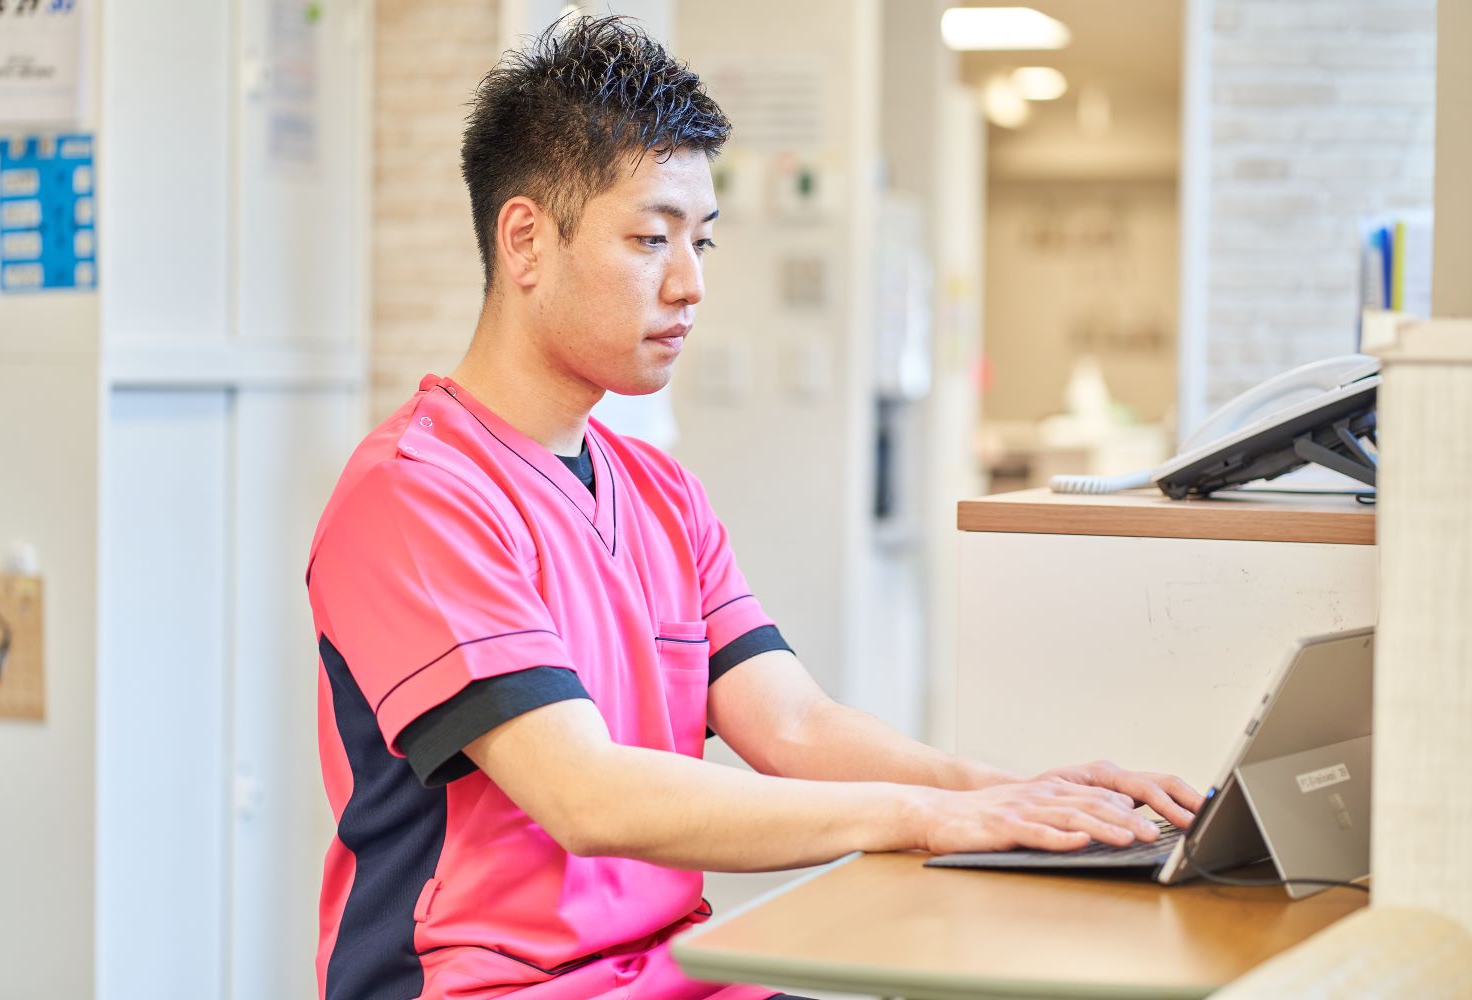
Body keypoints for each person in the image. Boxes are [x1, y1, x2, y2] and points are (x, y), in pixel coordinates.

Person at [306, 16, 1203, 1000]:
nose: (690, 285)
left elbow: (795, 724)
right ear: (525, 239)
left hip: (670, 975)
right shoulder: (417, 492)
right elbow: (585, 794)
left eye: (702, 241)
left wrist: (1015, 792)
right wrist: (924, 816)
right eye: (651, 239)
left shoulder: (658, 492)